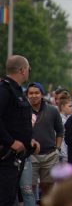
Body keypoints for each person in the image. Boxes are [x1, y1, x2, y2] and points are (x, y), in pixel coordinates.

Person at [0, 55, 40, 205]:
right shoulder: (5, 90)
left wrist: (29, 141)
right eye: (29, 69)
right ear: (23, 70)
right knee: (5, 199)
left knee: (12, 198)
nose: (29, 72)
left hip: (17, 157)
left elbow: (16, 123)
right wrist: (11, 142)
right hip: (6, 156)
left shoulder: (17, 91)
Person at [27, 82, 64, 198]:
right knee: (29, 190)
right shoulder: (23, 110)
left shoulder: (53, 110)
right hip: (30, 156)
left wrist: (57, 149)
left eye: (37, 93)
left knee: (48, 190)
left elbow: (60, 131)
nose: (34, 95)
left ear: (42, 94)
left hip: (50, 156)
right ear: (27, 95)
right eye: (31, 93)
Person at [58, 92, 72, 163]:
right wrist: (64, 154)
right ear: (62, 107)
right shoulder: (61, 120)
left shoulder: (68, 118)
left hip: (67, 152)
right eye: (70, 106)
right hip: (63, 153)